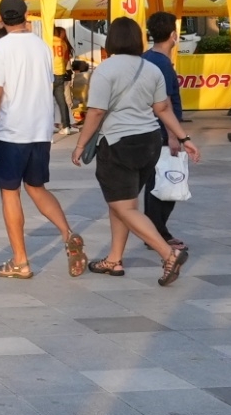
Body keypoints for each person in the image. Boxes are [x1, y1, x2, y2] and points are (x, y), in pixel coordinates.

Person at [70, 17, 193, 283]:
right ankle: (114, 260)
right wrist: (184, 137)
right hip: (150, 141)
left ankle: (168, 254)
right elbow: (162, 108)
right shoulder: (152, 69)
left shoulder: (105, 70)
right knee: (123, 202)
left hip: (118, 144)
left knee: (124, 207)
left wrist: (80, 145)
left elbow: (96, 111)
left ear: (111, 39)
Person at [0, 0, 86, 278]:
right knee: (37, 187)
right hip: (40, 130)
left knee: (10, 193)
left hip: (11, 131)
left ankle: (20, 261)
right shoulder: (42, 47)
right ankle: (67, 233)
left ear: (0, 19)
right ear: (26, 14)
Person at [142, 12, 188, 251]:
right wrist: (174, 135)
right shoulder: (162, 64)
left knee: (155, 182)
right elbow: (165, 102)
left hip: (148, 127)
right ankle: (157, 233)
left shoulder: (146, 58)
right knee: (165, 183)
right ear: (173, 35)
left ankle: (155, 232)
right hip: (161, 130)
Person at [51, 25, 74, 135]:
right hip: (60, 73)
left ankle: (49, 125)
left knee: (46, 102)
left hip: (50, 73)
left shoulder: (47, 42)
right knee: (62, 101)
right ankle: (66, 126)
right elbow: (65, 60)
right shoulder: (63, 43)